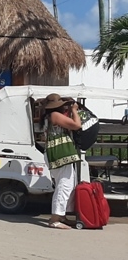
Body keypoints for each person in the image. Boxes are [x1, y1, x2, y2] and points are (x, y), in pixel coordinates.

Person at [42, 93, 82, 230]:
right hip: (59, 154)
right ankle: (55, 218)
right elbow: (77, 125)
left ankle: (61, 215)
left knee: (68, 184)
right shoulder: (55, 115)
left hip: (58, 153)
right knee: (64, 185)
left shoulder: (50, 116)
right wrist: (74, 110)